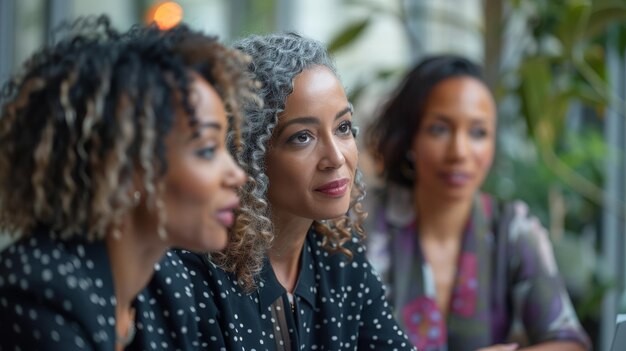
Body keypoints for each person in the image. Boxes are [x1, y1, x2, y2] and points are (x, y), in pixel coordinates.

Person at [141, 32, 415, 350]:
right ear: (245, 156)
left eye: (343, 128)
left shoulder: (337, 254)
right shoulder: (191, 269)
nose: (336, 158)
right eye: (302, 137)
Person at [0, 15, 254, 350]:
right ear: (126, 168)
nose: (237, 175)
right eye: (207, 150)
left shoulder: (171, 285)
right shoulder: (37, 288)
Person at [364, 54, 591, 351]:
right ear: (410, 139)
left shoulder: (513, 228)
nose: (459, 151)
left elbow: (568, 341)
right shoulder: (360, 223)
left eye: (478, 133)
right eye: (439, 129)